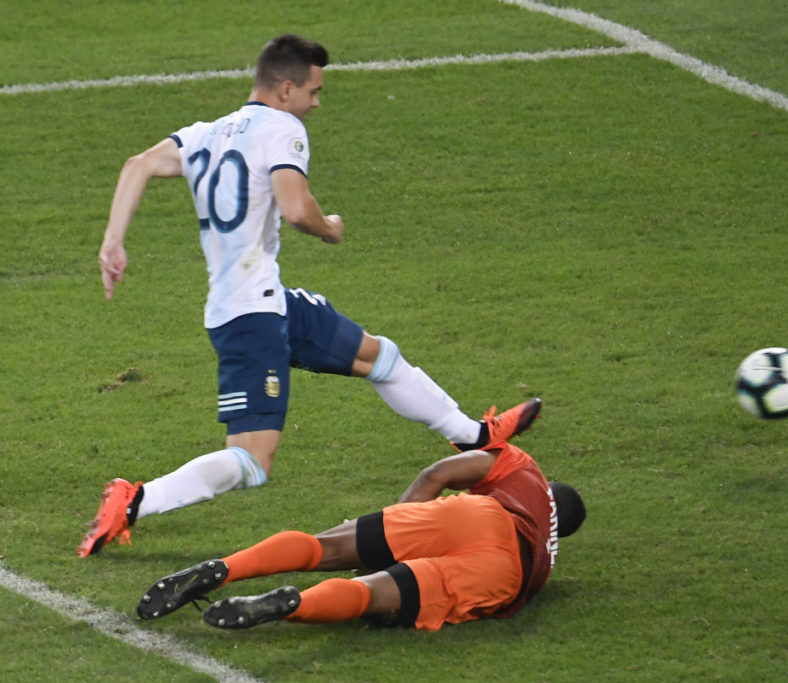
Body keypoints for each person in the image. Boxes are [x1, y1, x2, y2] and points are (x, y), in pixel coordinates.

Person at [78, 34, 542, 559]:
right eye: (314, 91)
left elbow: (136, 164)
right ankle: (133, 501)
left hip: (270, 302)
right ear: (286, 88)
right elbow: (296, 209)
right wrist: (330, 228)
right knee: (252, 462)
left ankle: (474, 437)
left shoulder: (206, 133)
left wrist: (112, 242)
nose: (317, 102)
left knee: (379, 356)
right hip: (249, 319)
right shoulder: (282, 128)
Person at [136, 440, 585, 631]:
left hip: (481, 516)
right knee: (368, 595)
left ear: (549, 490)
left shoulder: (525, 470)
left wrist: (386, 535)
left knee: (325, 547)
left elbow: (438, 474)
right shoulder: (546, 564)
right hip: (507, 571)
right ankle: (292, 604)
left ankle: (226, 568)